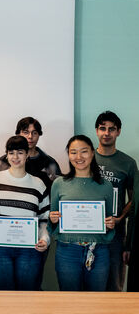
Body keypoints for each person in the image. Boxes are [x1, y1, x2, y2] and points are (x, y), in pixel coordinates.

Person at [0, 136, 50, 290]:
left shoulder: (38, 184)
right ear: (6, 155)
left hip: (29, 250)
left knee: (27, 296)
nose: (15, 157)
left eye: (20, 152)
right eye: (11, 153)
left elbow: (44, 218)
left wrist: (45, 239)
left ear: (27, 155)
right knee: (2, 295)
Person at [48, 135, 115, 291]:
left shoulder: (105, 185)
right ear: (69, 155)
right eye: (73, 152)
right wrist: (53, 218)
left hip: (98, 251)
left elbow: (109, 219)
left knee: (97, 301)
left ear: (92, 153)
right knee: (70, 302)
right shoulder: (59, 183)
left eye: (84, 151)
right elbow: (53, 221)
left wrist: (110, 223)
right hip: (67, 251)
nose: (78, 157)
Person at [93, 111, 137, 291]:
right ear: (96, 131)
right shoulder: (85, 159)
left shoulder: (128, 163)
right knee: (89, 288)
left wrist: (120, 218)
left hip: (115, 234)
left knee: (114, 287)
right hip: (87, 233)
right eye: (102, 128)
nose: (106, 133)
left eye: (112, 129)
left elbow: (135, 199)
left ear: (118, 132)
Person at [0, 117, 61, 189]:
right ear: (18, 134)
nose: (30, 136)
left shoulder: (49, 163)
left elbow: (58, 190)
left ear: (39, 135)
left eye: (34, 133)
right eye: (26, 132)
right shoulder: (2, 163)